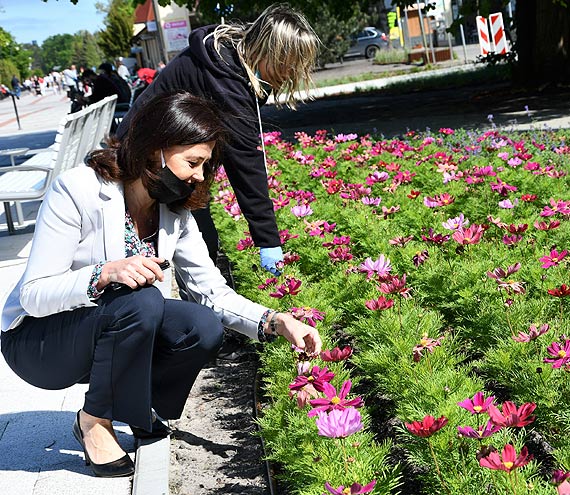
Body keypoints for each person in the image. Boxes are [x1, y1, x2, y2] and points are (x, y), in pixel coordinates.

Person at [0, 92, 322, 478]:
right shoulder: (79, 190)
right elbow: (34, 294)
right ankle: (94, 422)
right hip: (40, 342)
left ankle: (136, 406)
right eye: (193, 163)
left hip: (110, 330)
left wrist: (275, 320)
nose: (200, 176)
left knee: (200, 325)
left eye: (205, 165)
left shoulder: (173, 211)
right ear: (155, 149)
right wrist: (103, 273)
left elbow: (211, 292)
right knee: (142, 301)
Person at [116, 3, 319, 276]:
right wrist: (268, 240)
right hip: (147, 160)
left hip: (169, 155)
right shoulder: (227, 80)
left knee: (197, 238)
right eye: (289, 65)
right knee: (187, 247)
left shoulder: (229, 57)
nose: (291, 74)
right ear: (270, 52)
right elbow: (246, 163)